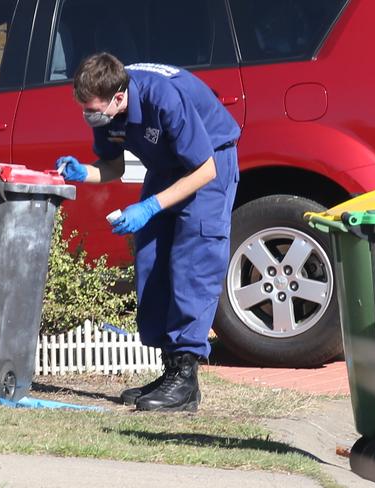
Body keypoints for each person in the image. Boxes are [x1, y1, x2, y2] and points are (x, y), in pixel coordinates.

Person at [55, 53, 240, 412]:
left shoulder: (164, 98)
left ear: (119, 98)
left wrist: (151, 206)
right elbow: (112, 167)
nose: (89, 117)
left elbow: (204, 171)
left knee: (192, 262)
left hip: (210, 163)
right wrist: (83, 173)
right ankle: (170, 372)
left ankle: (185, 383)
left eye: (93, 110)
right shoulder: (105, 103)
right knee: (151, 258)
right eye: (85, 110)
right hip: (168, 167)